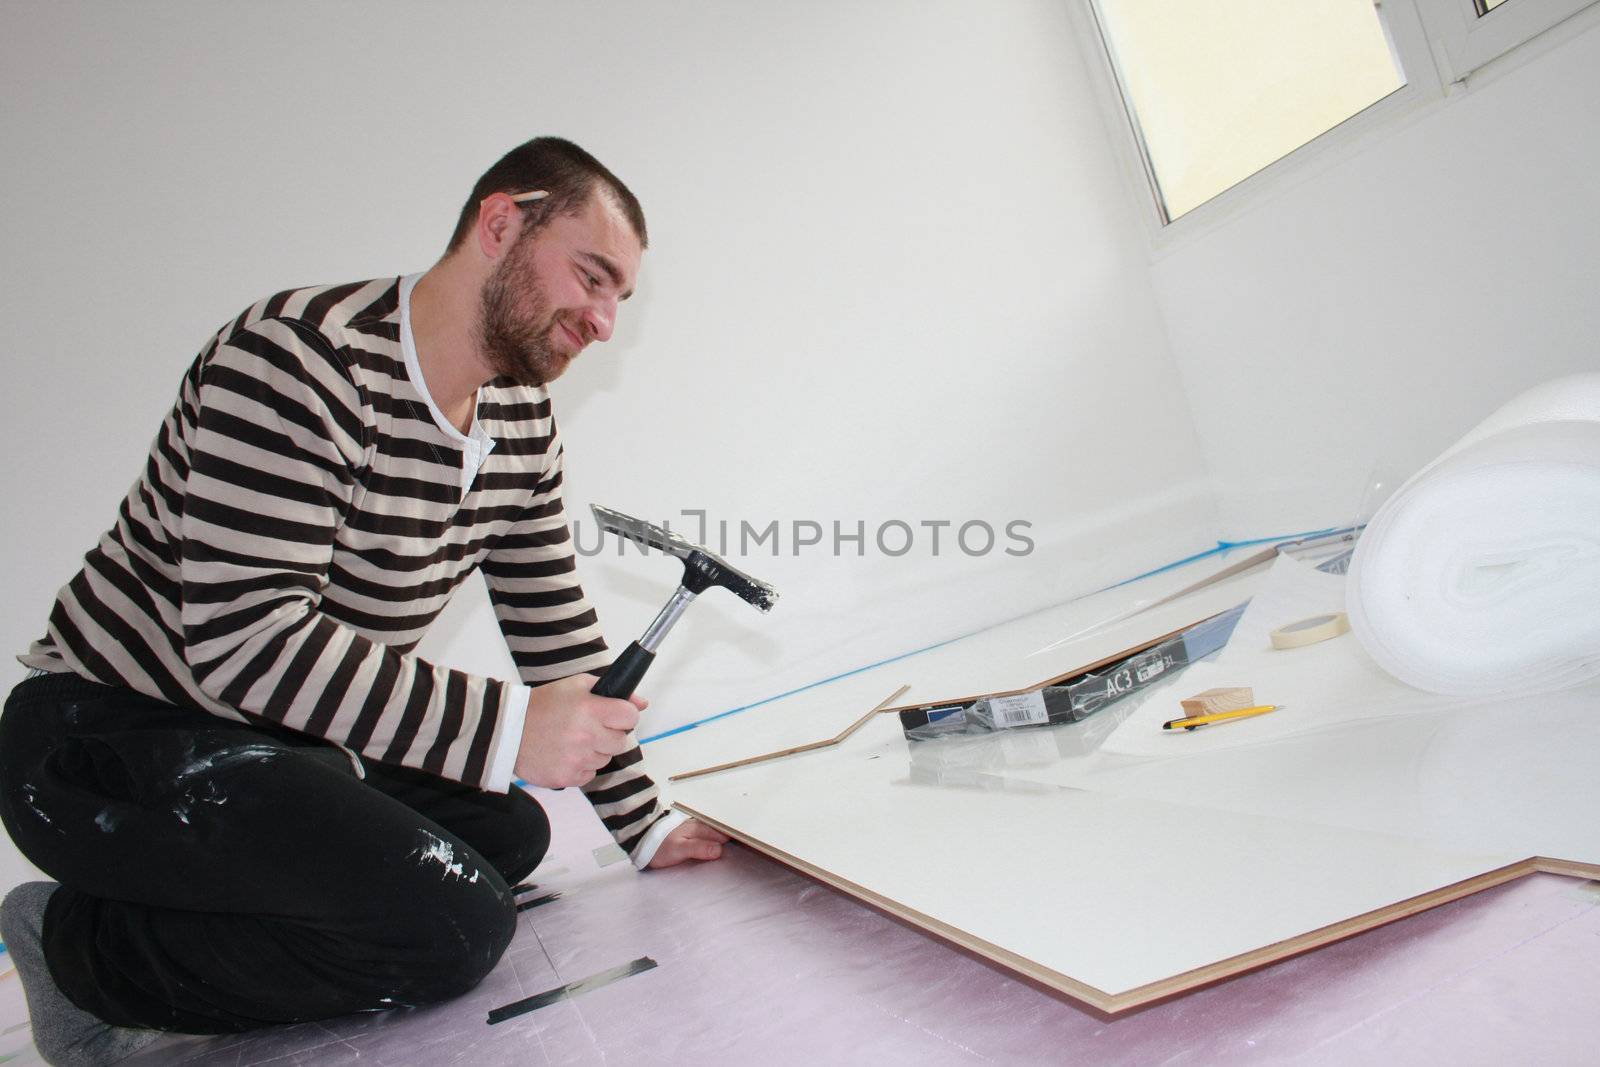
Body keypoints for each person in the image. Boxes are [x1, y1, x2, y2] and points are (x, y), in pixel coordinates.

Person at [0, 136, 729, 1066]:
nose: (602, 321)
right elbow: (247, 639)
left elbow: (554, 631)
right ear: (499, 224)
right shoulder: (298, 360)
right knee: (449, 925)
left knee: (508, 831)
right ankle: (73, 949)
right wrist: (508, 730)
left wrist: (644, 822)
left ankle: (171, 898)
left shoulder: (517, 418)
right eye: (592, 277)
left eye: (620, 298)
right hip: (107, 736)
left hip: (270, 739)